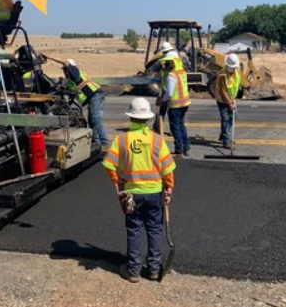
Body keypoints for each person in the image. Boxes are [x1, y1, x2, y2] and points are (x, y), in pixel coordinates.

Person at [103, 97, 176, 283]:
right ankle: (154, 270)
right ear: (148, 118)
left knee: (134, 230)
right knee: (154, 230)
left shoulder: (122, 140)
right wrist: (169, 189)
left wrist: (117, 182)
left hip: (132, 194)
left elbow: (109, 164)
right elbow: (168, 169)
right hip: (154, 194)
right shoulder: (157, 140)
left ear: (131, 117)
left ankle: (133, 270)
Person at [42, 55, 108, 148]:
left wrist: (49, 57)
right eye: (64, 70)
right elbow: (69, 94)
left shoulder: (75, 71)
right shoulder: (70, 82)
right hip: (92, 98)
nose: (65, 72)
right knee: (91, 120)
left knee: (96, 118)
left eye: (65, 69)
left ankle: (104, 141)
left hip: (96, 95)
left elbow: (65, 62)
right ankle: (96, 142)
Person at [159, 50, 191, 156]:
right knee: (181, 125)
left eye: (168, 62)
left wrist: (162, 100)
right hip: (184, 104)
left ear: (172, 62)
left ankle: (179, 149)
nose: (166, 64)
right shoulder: (182, 72)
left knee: (175, 128)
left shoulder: (172, 75)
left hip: (175, 106)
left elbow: (169, 93)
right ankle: (186, 147)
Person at [215, 53, 242, 149]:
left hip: (232, 98)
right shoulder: (223, 75)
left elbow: (236, 83)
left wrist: (233, 99)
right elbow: (223, 92)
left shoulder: (237, 70)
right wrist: (229, 103)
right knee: (226, 119)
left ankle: (223, 135)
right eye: (232, 67)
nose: (234, 69)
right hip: (222, 100)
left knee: (233, 117)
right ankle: (226, 141)